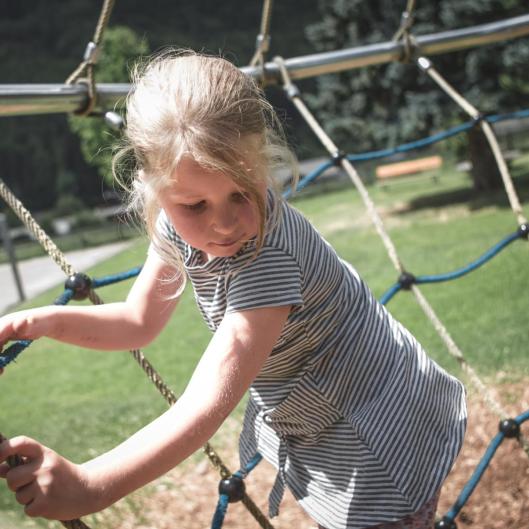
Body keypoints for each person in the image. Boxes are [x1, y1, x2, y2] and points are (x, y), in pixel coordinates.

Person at [0, 51, 467, 529]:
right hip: (327, 416)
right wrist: (46, 322)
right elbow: (137, 322)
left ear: (263, 161)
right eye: (195, 205)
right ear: (152, 187)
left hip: (379, 422)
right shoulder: (173, 228)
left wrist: (92, 485)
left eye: (242, 192)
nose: (223, 224)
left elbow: (206, 404)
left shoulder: (269, 258)